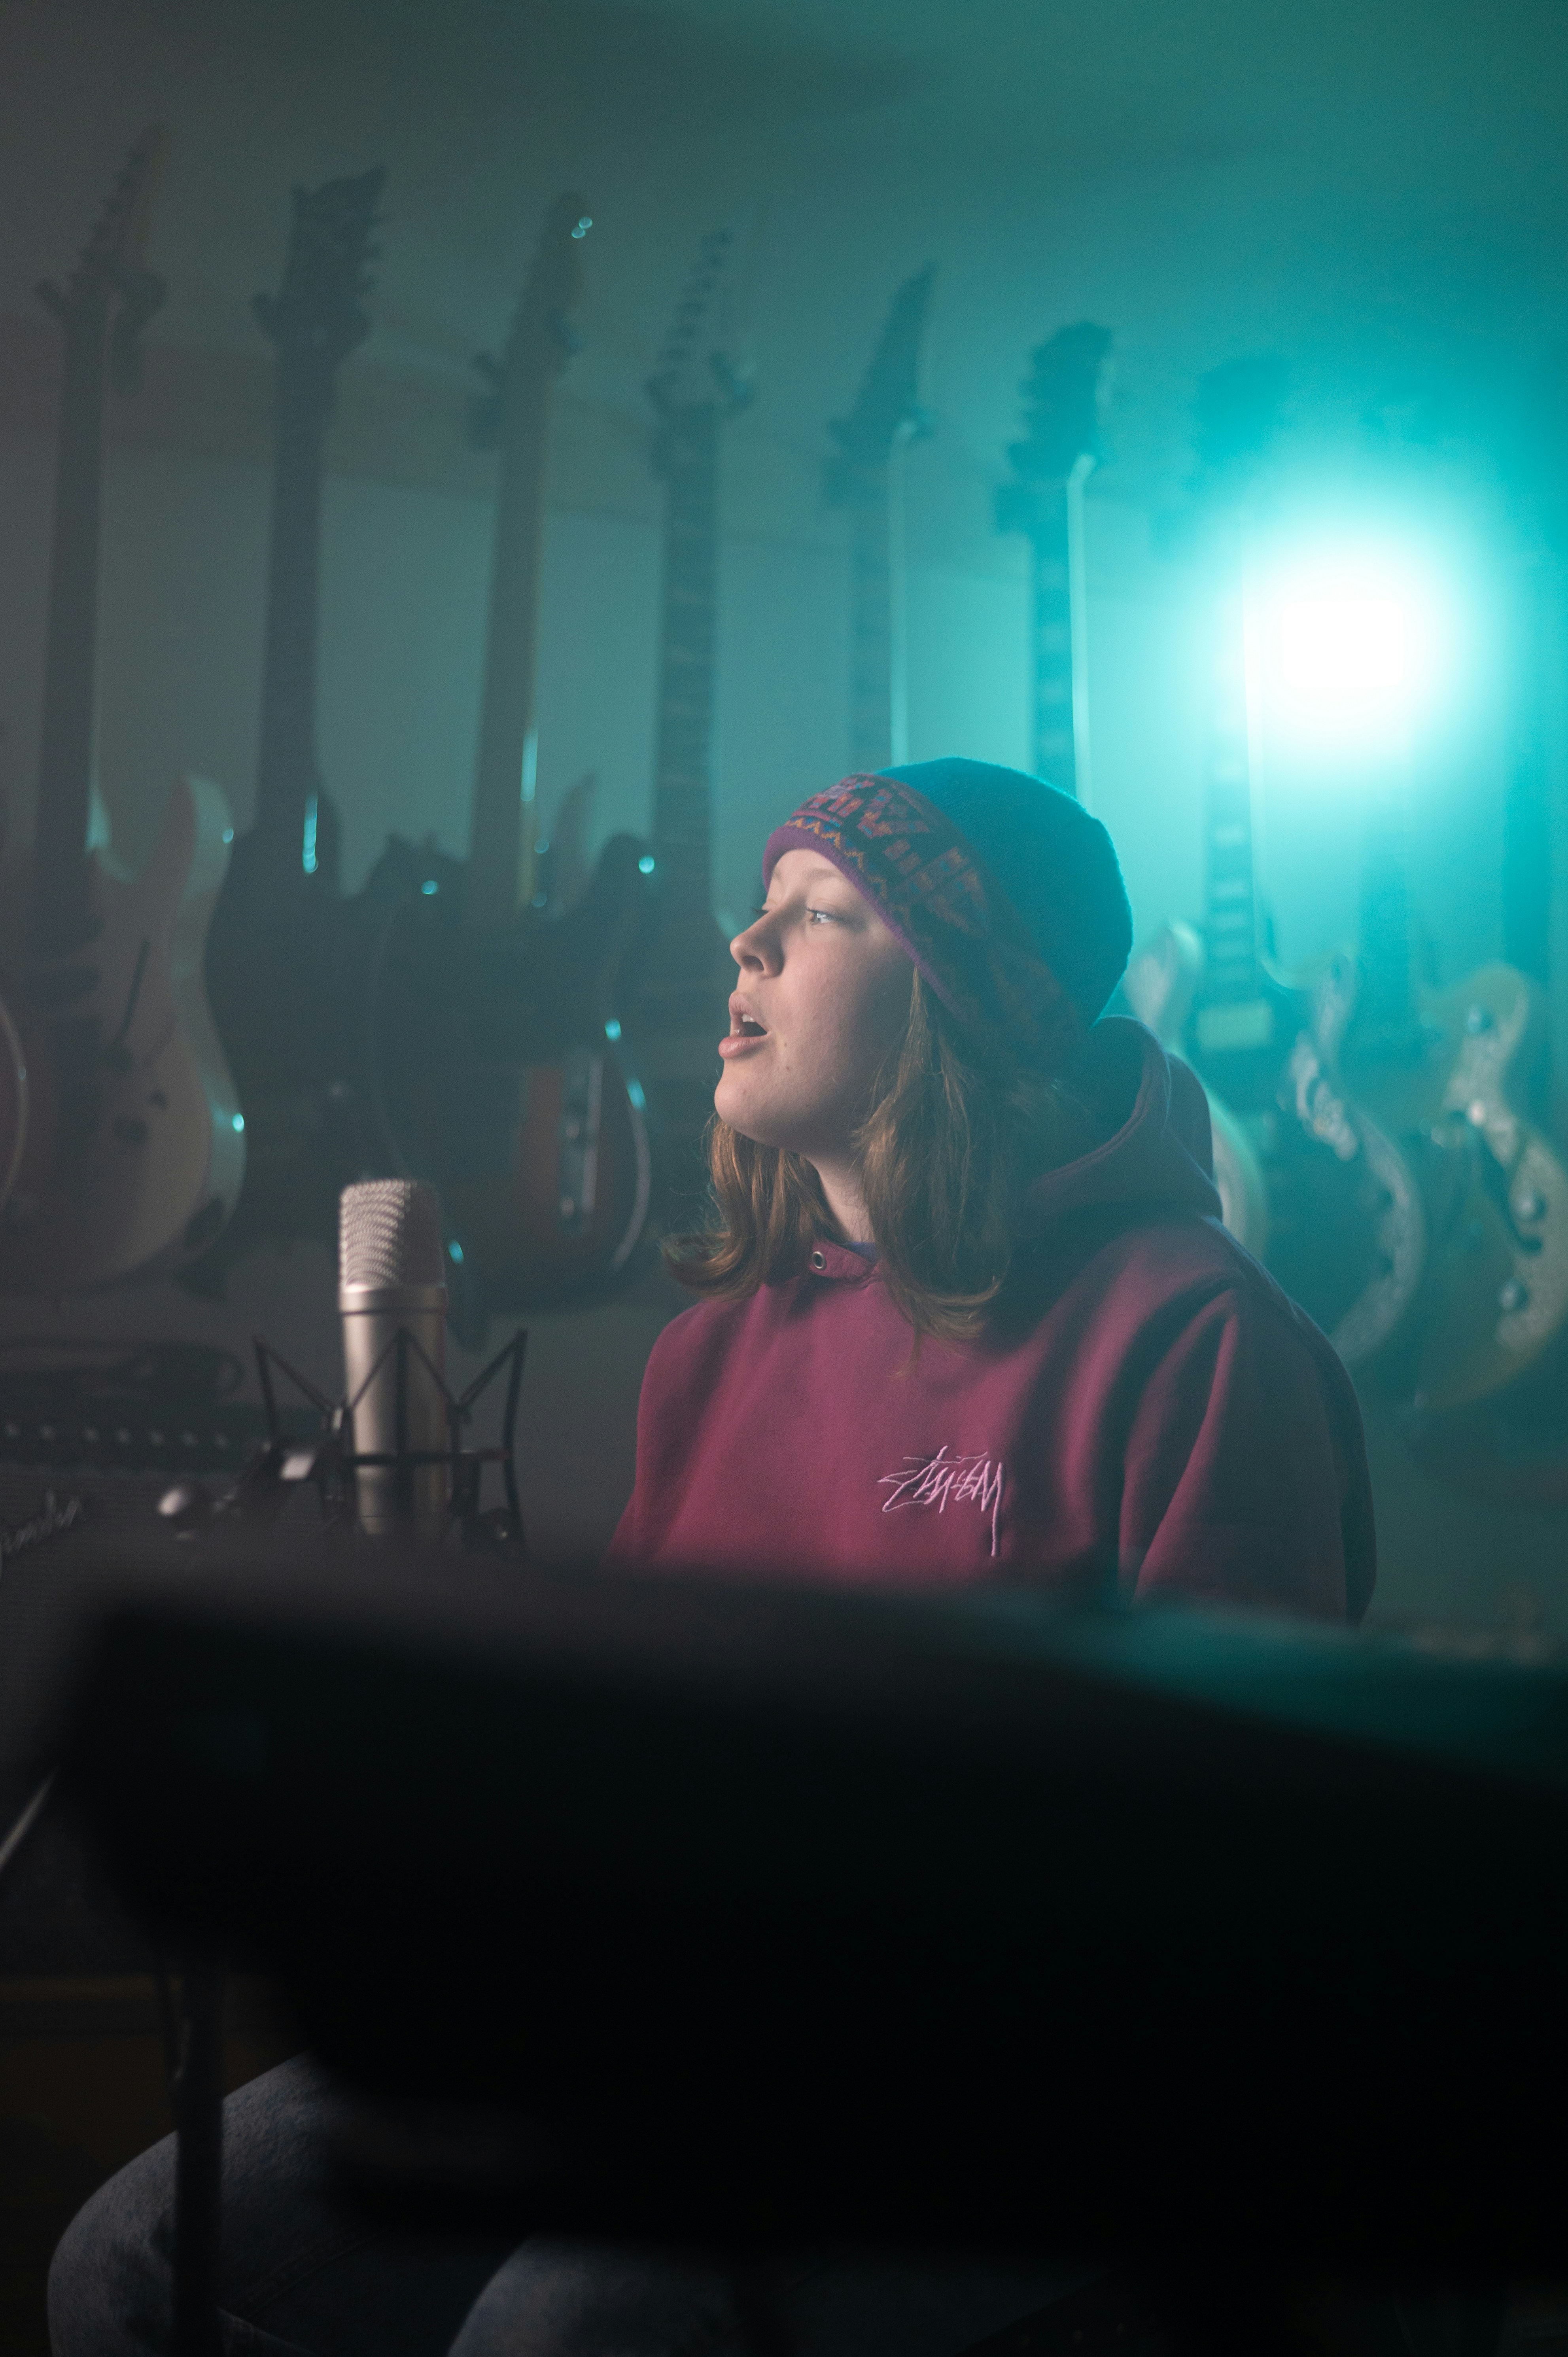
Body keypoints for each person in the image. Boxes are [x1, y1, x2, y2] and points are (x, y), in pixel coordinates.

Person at [49, 759, 1372, 2357]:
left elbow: (1227, 1898)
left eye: (815, 916)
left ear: (966, 998)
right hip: (660, 2029)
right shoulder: (709, 1354)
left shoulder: (1199, 1338)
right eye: (762, 905)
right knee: (131, 2260)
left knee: (566, 2329)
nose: (743, 941)